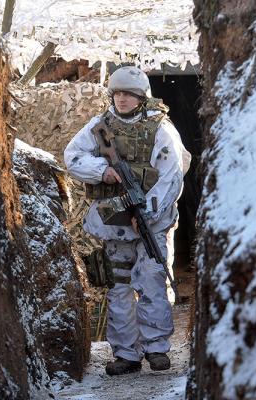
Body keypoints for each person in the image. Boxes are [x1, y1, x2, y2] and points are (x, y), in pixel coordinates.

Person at [64, 66, 191, 376]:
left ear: (140, 97)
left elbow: (172, 175)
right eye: (117, 93)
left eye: (128, 94)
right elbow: (73, 157)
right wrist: (103, 171)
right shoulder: (100, 126)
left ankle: (157, 349)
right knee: (118, 286)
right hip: (115, 223)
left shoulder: (160, 128)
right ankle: (125, 354)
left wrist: (146, 213)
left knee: (151, 280)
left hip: (152, 220)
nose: (121, 99)